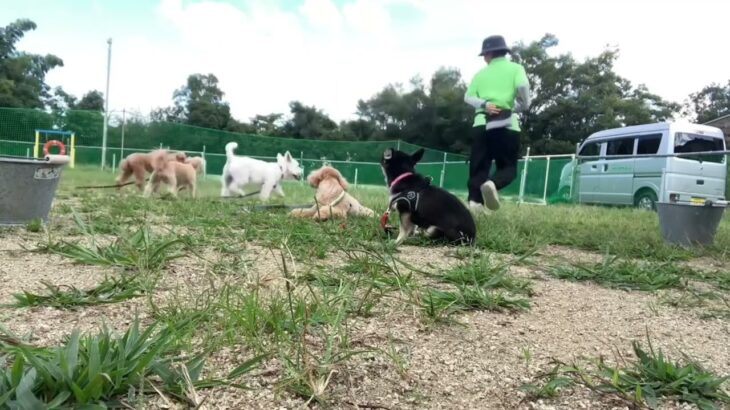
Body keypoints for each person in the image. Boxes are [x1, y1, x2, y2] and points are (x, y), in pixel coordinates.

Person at [464, 35, 531, 211]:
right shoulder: (516, 68)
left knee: (479, 167)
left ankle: (474, 206)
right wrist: (522, 105)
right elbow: (523, 87)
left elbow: (468, 97)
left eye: (484, 55)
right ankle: (493, 184)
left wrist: (485, 105)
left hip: (481, 123)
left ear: (490, 53)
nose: (484, 59)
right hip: (507, 124)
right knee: (508, 168)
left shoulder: (480, 74)